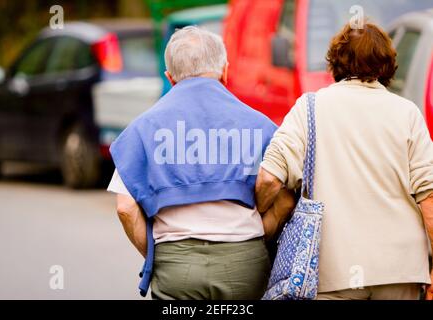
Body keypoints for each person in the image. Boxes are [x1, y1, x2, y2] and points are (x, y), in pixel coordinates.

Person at [107, 26, 294, 300]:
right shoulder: (262, 127)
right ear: (225, 72)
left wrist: (158, 254)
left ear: (170, 78)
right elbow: (286, 197)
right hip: (244, 262)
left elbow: (125, 208)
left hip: (175, 265)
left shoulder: (141, 129)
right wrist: (259, 234)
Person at [255, 22, 433, 300]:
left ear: (336, 61)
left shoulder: (309, 108)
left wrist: (260, 217)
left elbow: (269, 178)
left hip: (332, 271)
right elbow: (429, 197)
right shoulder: (408, 113)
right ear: (387, 63)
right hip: (400, 270)